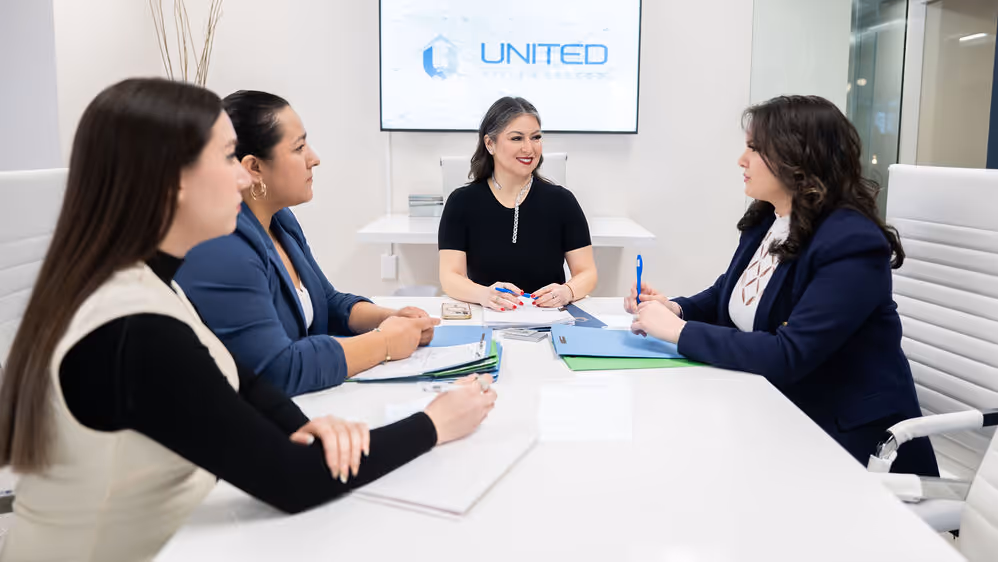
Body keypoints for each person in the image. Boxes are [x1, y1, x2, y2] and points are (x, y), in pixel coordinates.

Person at [0, 78, 496, 562]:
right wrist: (435, 423)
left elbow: (241, 382)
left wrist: (306, 426)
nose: (243, 176)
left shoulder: (151, 284)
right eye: (226, 158)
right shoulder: (134, 330)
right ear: (173, 182)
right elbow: (292, 479)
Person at [626, 95, 937, 476]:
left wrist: (679, 331)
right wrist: (677, 308)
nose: (742, 160)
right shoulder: (768, 218)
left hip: (843, 436)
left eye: (755, 149)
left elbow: (789, 355)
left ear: (798, 158)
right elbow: (731, 292)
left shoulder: (852, 241)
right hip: (770, 408)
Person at [175, 90, 438, 397]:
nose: (314, 158)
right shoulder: (222, 247)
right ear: (254, 168)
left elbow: (326, 302)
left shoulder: (280, 220)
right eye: (299, 147)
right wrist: (385, 343)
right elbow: (278, 369)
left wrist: (389, 318)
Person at [438, 96, 597, 311]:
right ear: (490, 143)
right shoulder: (461, 202)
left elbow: (587, 273)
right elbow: (450, 276)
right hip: (487, 317)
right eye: (516, 138)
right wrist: (484, 295)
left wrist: (567, 291)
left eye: (536, 137)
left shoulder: (562, 201)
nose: (529, 148)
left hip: (550, 319)